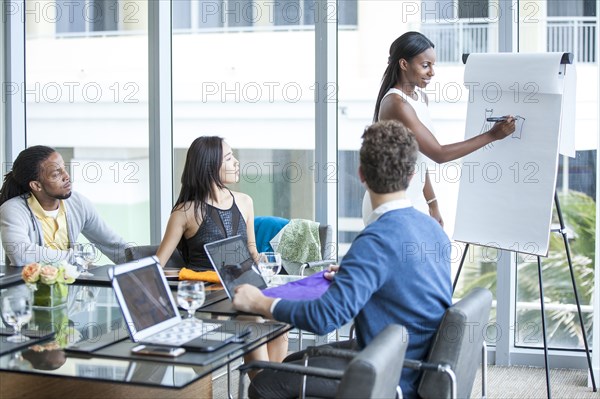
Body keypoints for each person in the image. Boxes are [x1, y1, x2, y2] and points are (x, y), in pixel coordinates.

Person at [233, 120, 452, 398]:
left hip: (391, 373)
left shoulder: (376, 239)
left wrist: (259, 302)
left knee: (263, 385)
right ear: (411, 176)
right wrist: (356, 277)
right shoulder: (432, 227)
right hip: (414, 360)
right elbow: (410, 286)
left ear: (361, 174)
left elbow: (325, 318)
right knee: (287, 364)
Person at [156, 136, 287, 365]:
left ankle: (270, 386)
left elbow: (251, 250)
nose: (236, 162)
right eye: (228, 157)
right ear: (209, 166)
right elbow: (158, 264)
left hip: (244, 286)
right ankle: (264, 386)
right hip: (209, 298)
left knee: (281, 317)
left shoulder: (245, 201)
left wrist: (263, 269)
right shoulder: (185, 212)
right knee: (255, 319)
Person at [363, 31, 517, 227]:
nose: (432, 72)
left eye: (432, 65)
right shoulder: (397, 104)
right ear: (403, 64)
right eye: (425, 65)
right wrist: (492, 135)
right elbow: (439, 154)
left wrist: (432, 204)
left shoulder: (419, 98)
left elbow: (419, 157)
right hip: (389, 202)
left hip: (411, 198)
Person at [0, 145, 129, 266]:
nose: (66, 176)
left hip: (69, 288)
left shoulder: (78, 203)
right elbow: (21, 254)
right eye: (56, 174)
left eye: (64, 169)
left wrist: (146, 261)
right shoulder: (13, 210)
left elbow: (114, 246)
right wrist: (76, 257)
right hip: (30, 289)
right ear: (36, 185)